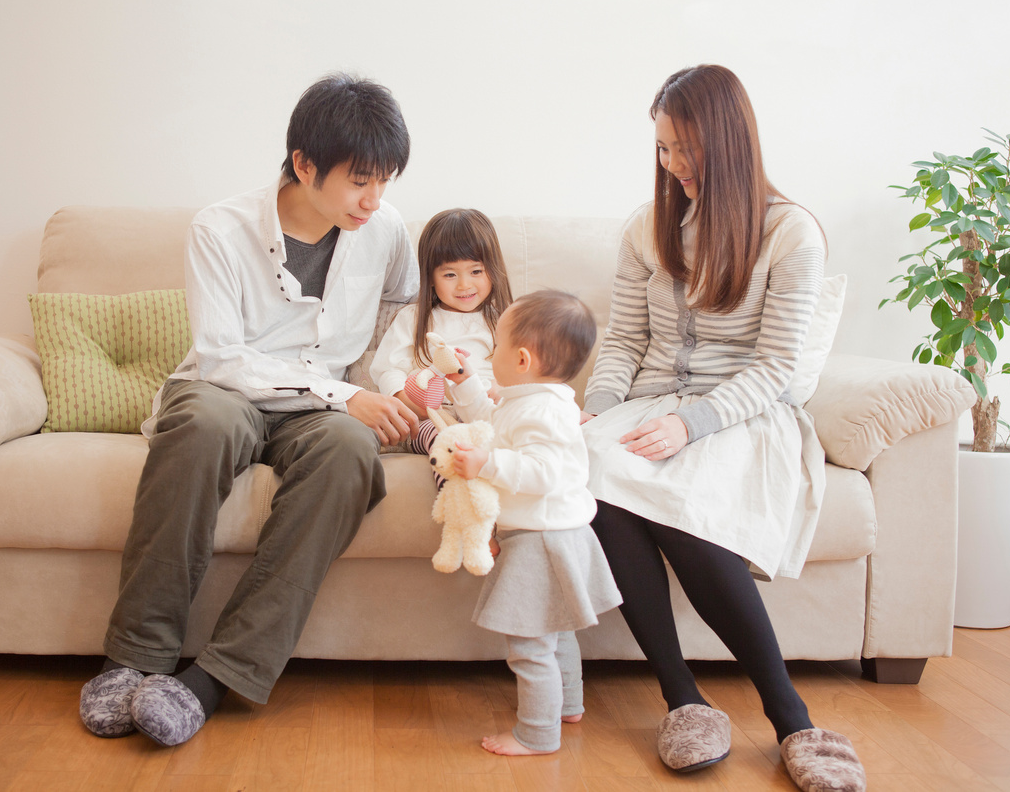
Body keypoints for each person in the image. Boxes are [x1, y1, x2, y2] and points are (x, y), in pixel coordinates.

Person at [78, 72, 420, 747]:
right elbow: (221, 359)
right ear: (303, 164)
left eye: (384, 180)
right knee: (203, 427)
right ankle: (134, 658)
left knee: (351, 452)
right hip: (225, 391)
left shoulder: (386, 230)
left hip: (317, 407)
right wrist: (347, 394)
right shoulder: (220, 228)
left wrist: (389, 385)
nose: (373, 199)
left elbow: (405, 309)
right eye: (359, 180)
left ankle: (212, 678)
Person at [580, 65, 866, 791]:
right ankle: (682, 698)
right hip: (646, 405)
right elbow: (622, 339)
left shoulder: (789, 232)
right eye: (662, 149)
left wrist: (690, 423)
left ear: (728, 142)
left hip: (741, 412)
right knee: (594, 481)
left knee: (681, 510)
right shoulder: (646, 227)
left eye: (685, 149)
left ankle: (790, 716)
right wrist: (599, 405)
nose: (671, 166)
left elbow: (775, 366)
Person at [445, 290, 622, 756]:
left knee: (529, 644)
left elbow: (546, 473)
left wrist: (485, 465)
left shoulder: (543, 413)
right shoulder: (530, 400)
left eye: (495, 347)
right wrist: (463, 380)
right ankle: (569, 705)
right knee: (556, 628)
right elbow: (489, 420)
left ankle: (537, 733)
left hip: (541, 542)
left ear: (521, 359)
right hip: (551, 536)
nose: (490, 355)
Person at [369, 208, 513, 475]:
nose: (464, 285)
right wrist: (403, 398)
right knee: (447, 444)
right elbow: (388, 368)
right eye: (450, 275)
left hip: (486, 414)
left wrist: (502, 388)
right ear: (431, 278)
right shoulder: (413, 318)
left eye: (476, 271)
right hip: (432, 418)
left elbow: (524, 371)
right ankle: (456, 498)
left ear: (493, 270)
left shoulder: (504, 321)